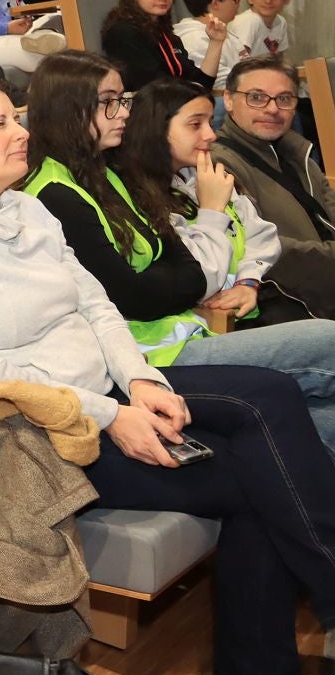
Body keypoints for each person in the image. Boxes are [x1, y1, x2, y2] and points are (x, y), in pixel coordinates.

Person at [0, 73, 335, 675]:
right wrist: (110, 414)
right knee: (256, 478)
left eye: (19, 119)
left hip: (109, 391)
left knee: (268, 404)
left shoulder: (23, 209)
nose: (23, 132)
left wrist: (141, 382)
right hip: (32, 433)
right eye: (1, 124)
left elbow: (95, 304)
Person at [23, 57, 335, 451]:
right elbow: (138, 297)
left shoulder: (106, 173)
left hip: (183, 330)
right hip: (140, 357)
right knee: (328, 342)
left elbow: (181, 264)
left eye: (123, 99)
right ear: (67, 107)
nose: (123, 113)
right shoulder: (55, 193)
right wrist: (201, 237)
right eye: (109, 101)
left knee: (323, 414)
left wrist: (221, 278)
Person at [214, 56, 335, 299]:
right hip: (292, 300)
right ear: (228, 99)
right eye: (256, 97)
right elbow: (258, 247)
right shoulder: (218, 164)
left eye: (283, 99)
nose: (272, 109)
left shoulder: (297, 153)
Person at [102, 0, 224, 91]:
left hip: (180, 101)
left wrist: (216, 41)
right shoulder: (123, 33)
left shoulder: (168, 36)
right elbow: (154, 86)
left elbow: (203, 82)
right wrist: (196, 93)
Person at [221, 0, 294, 88]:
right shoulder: (249, 21)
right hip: (234, 84)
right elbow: (241, 66)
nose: (268, 0)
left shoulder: (281, 22)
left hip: (261, 82)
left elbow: (279, 61)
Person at [175, 0, 242, 67]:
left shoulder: (224, 32)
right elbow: (218, 79)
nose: (238, 4)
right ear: (215, 3)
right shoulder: (195, 39)